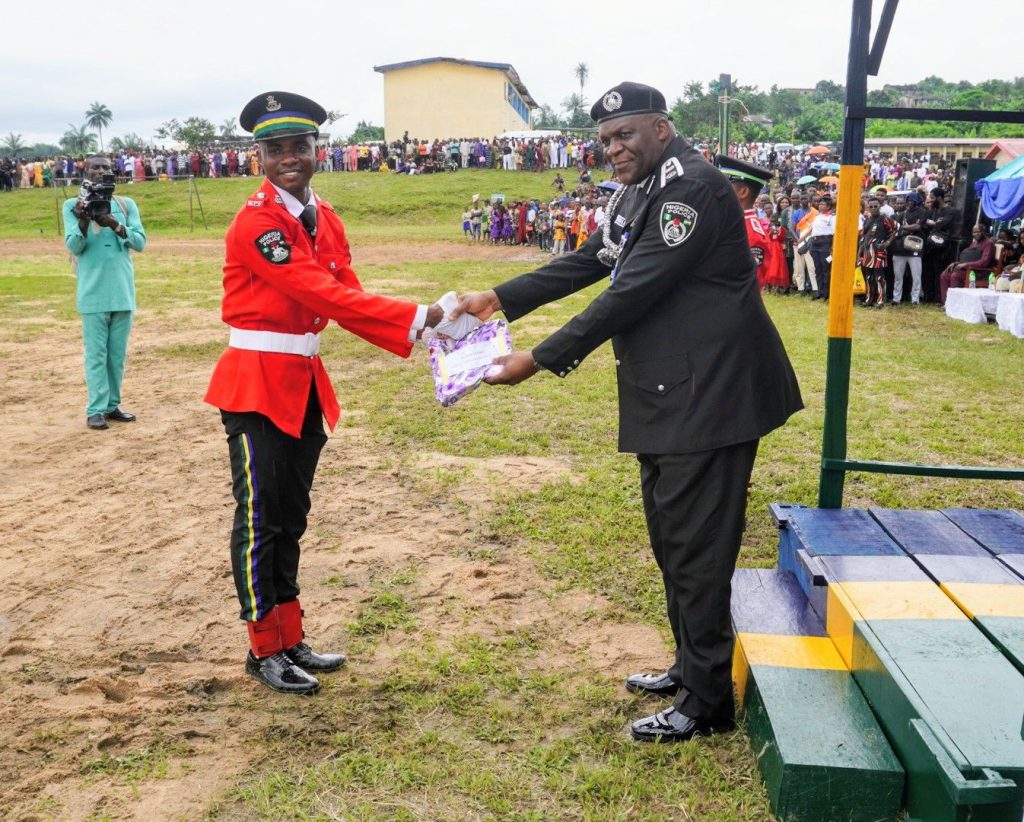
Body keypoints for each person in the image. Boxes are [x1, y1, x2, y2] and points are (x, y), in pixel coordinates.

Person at [451, 82, 802, 743]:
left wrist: (540, 357)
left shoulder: (691, 190)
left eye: (625, 134)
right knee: (675, 541)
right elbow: (593, 259)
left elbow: (631, 292)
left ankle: (706, 703)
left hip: (711, 397)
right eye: (606, 139)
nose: (613, 148)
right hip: (673, 394)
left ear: (661, 129)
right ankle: (692, 666)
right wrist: (498, 296)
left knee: (697, 550)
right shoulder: (641, 189)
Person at [204, 92, 443, 696]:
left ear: (318, 151)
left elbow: (348, 294)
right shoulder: (257, 223)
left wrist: (428, 330)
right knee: (261, 519)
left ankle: (291, 637)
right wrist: (420, 315)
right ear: (259, 158)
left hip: (303, 382)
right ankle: (264, 648)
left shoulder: (325, 217)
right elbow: (319, 292)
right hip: (256, 385)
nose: (289, 158)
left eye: (300, 147)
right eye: (275, 149)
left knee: (291, 515)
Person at [63, 155, 147, 430]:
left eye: (106, 168)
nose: (101, 171)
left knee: (116, 355)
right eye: (95, 167)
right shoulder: (72, 206)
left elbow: (140, 242)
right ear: (85, 172)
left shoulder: (126, 204)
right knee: (96, 355)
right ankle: (95, 409)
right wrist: (83, 220)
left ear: (114, 173)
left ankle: (112, 405)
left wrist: (114, 224)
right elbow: (74, 247)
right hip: (93, 293)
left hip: (122, 292)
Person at [716, 156, 774, 292]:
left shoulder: (752, 233)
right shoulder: (731, 221)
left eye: (725, 186)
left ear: (743, 192)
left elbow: (750, 282)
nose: (718, 191)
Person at [938, 224, 996, 305]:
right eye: (974, 232)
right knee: (944, 275)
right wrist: (956, 263)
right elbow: (968, 259)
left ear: (983, 232)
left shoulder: (989, 244)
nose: (975, 234)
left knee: (955, 276)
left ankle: (954, 304)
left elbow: (984, 262)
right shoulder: (974, 243)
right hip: (969, 269)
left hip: (980, 272)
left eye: (978, 232)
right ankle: (945, 303)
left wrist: (965, 265)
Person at [891, 193, 927, 305]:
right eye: (908, 200)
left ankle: (915, 299)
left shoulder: (922, 212)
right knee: (898, 276)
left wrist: (902, 227)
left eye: (912, 200)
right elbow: (894, 227)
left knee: (916, 276)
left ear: (917, 201)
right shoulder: (902, 214)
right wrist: (906, 228)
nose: (910, 202)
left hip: (915, 249)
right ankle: (896, 298)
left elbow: (917, 227)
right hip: (899, 249)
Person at [808, 195, 836, 301]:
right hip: (815, 243)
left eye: (823, 204)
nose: (820, 206)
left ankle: (826, 293)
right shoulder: (817, 217)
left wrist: (832, 247)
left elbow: (834, 234)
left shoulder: (832, 218)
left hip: (825, 243)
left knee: (826, 270)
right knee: (817, 269)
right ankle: (820, 292)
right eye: (819, 204)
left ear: (828, 206)